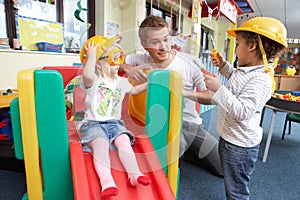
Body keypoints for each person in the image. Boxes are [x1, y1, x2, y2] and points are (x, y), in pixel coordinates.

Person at [120, 15, 223, 176]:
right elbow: (107, 59)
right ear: (144, 45)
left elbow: (213, 97)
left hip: (188, 124)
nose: (163, 47)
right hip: (156, 124)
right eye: (155, 42)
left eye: (166, 40)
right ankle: (181, 153)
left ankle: (189, 152)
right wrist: (127, 68)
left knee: (223, 169)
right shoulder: (140, 59)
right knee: (167, 167)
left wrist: (183, 93)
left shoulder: (190, 63)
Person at [203, 17, 287, 199]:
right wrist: (224, 66)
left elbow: (242, 111)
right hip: (230, 139)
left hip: (240, 147)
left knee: (237, 191)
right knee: (231, 183)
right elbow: (236, 81)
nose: (236, 49)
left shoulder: (261, 79)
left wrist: (219, 88)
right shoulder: (246, 70)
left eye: (238, 43)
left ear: (252, 47)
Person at [78, 35, 150, 198]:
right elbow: (87, 75)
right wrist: (91, 57)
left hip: (114, 123)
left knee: (124, 141)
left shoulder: (121, 81)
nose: (118, 64)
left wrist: (150, 83)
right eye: (113, 60)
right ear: (99, 62)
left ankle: (134, 174)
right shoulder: (94, 80)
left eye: (119, 58)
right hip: (93, 124)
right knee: (101, 145)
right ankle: (107, 181)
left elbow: (134, 90)